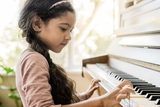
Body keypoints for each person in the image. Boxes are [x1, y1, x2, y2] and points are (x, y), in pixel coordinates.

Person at [16, 0, 135, 107]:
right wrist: (102, 102)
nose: (69, 37)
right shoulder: (34, 60)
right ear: (37, 24)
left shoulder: (35, 56)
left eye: (71, 31)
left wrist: (82, 97)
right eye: (63, 28)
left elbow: (55, 102)